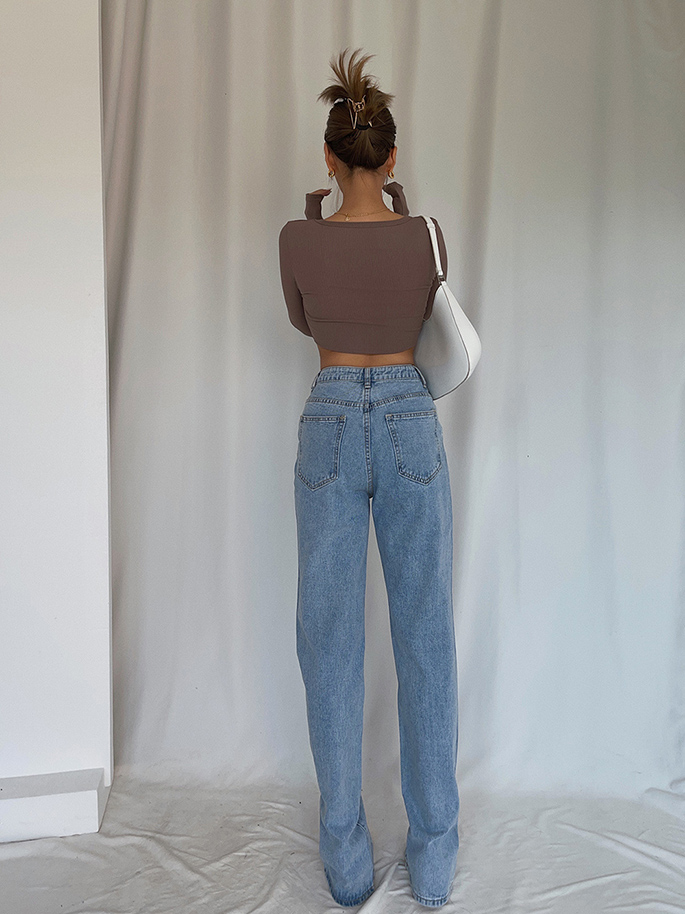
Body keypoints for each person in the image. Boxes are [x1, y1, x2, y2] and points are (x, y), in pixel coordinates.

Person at [278, 47, 460, 909]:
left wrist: (326, 213)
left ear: (327, 154)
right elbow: (427, 306)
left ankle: (347, 860)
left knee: (329, 642)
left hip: (328, 420)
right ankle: (433, 859)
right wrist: (397, 205)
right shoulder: (425, 235)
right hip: (405, 416)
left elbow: (301, 318)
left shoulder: (297, 238)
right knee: (425, 637)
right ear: (391, 158)